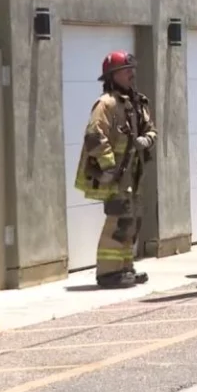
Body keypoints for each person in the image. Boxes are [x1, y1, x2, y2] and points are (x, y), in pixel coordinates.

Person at [74, 51, 157, 288]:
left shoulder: (137, 102)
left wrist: (146, 140)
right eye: (126, 70)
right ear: (113, 75)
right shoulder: (106, 104)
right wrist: (109, 166)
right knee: (118, 221)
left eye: (132, 69)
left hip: (133, 174)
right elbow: (94, 136)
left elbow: (151, 129)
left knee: (131, 221)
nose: (132, 74)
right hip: (116, 175)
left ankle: (125, 268)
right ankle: (108, 273)